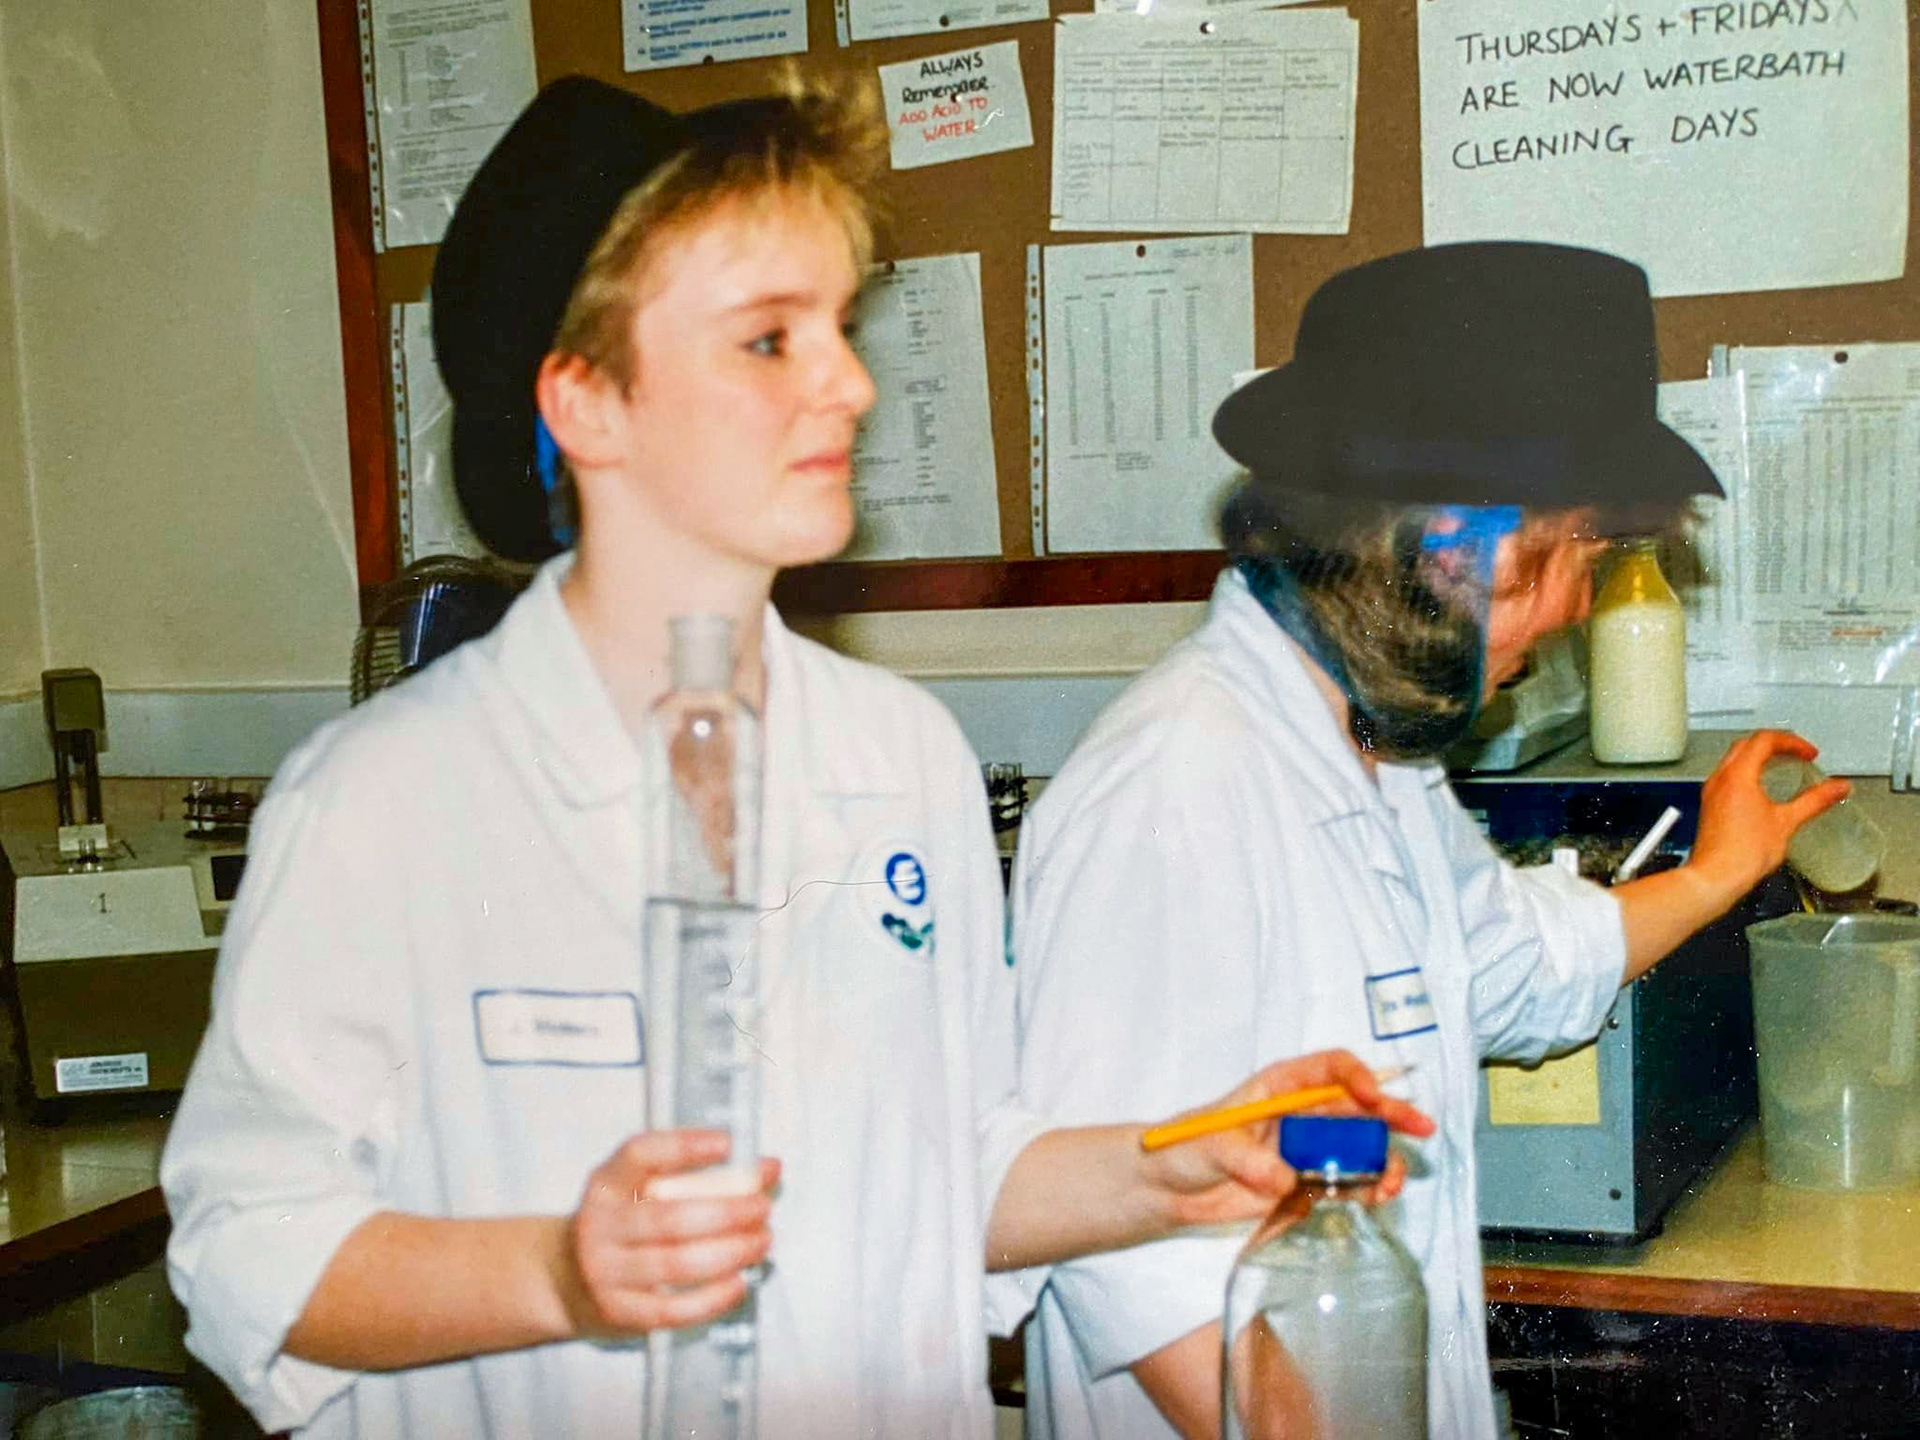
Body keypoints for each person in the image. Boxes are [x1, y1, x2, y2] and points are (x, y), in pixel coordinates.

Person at [159, 73, 1428, 1440]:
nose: (851, 384)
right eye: (770, 341)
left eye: (839, 324)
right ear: (588, 405)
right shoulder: (387, 801)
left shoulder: (905, 760)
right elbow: (246, 1259)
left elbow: (945, 1175)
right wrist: (558, 1272)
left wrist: (1165, 1165)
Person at [1010, 242, 1847, 1440]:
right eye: (1588, 559)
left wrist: (1717, 872)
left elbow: (1512, 965)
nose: (1572, 614)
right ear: (1453, 543)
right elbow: (1146, 1273)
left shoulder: (1375, 758)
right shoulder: (1179, 786)